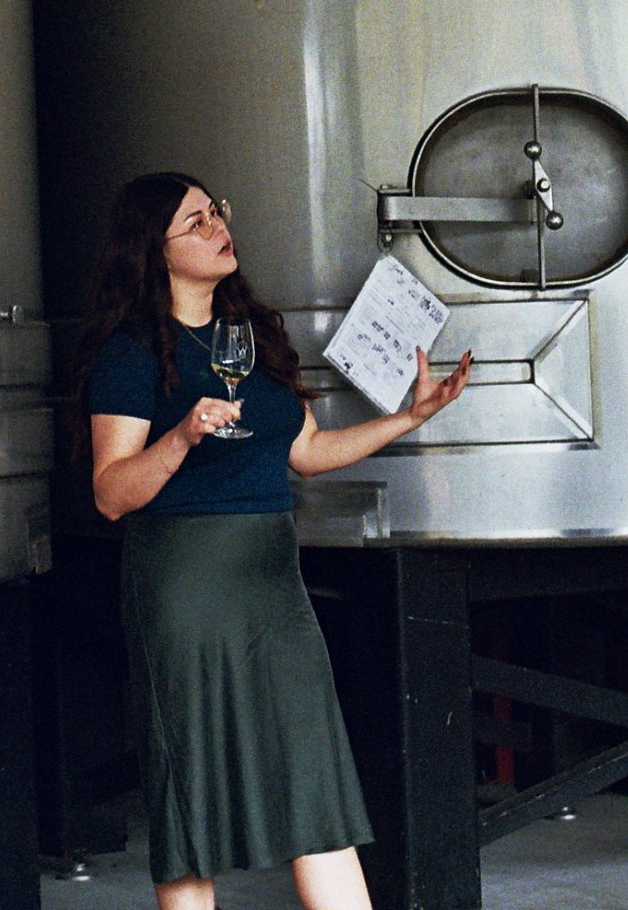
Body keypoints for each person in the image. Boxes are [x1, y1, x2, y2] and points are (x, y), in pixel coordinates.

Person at [82, 173, 470, 910]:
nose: (217, 225)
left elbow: (308, 449)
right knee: (190, 788)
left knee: (312, 776)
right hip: (185, 584)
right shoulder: (130, 353)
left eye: (215, 210)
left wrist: (407, 420)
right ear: (154, 251)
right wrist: (184, 435)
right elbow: (110, 491)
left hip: (272, 583)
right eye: (193, 221)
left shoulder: (252, 335)